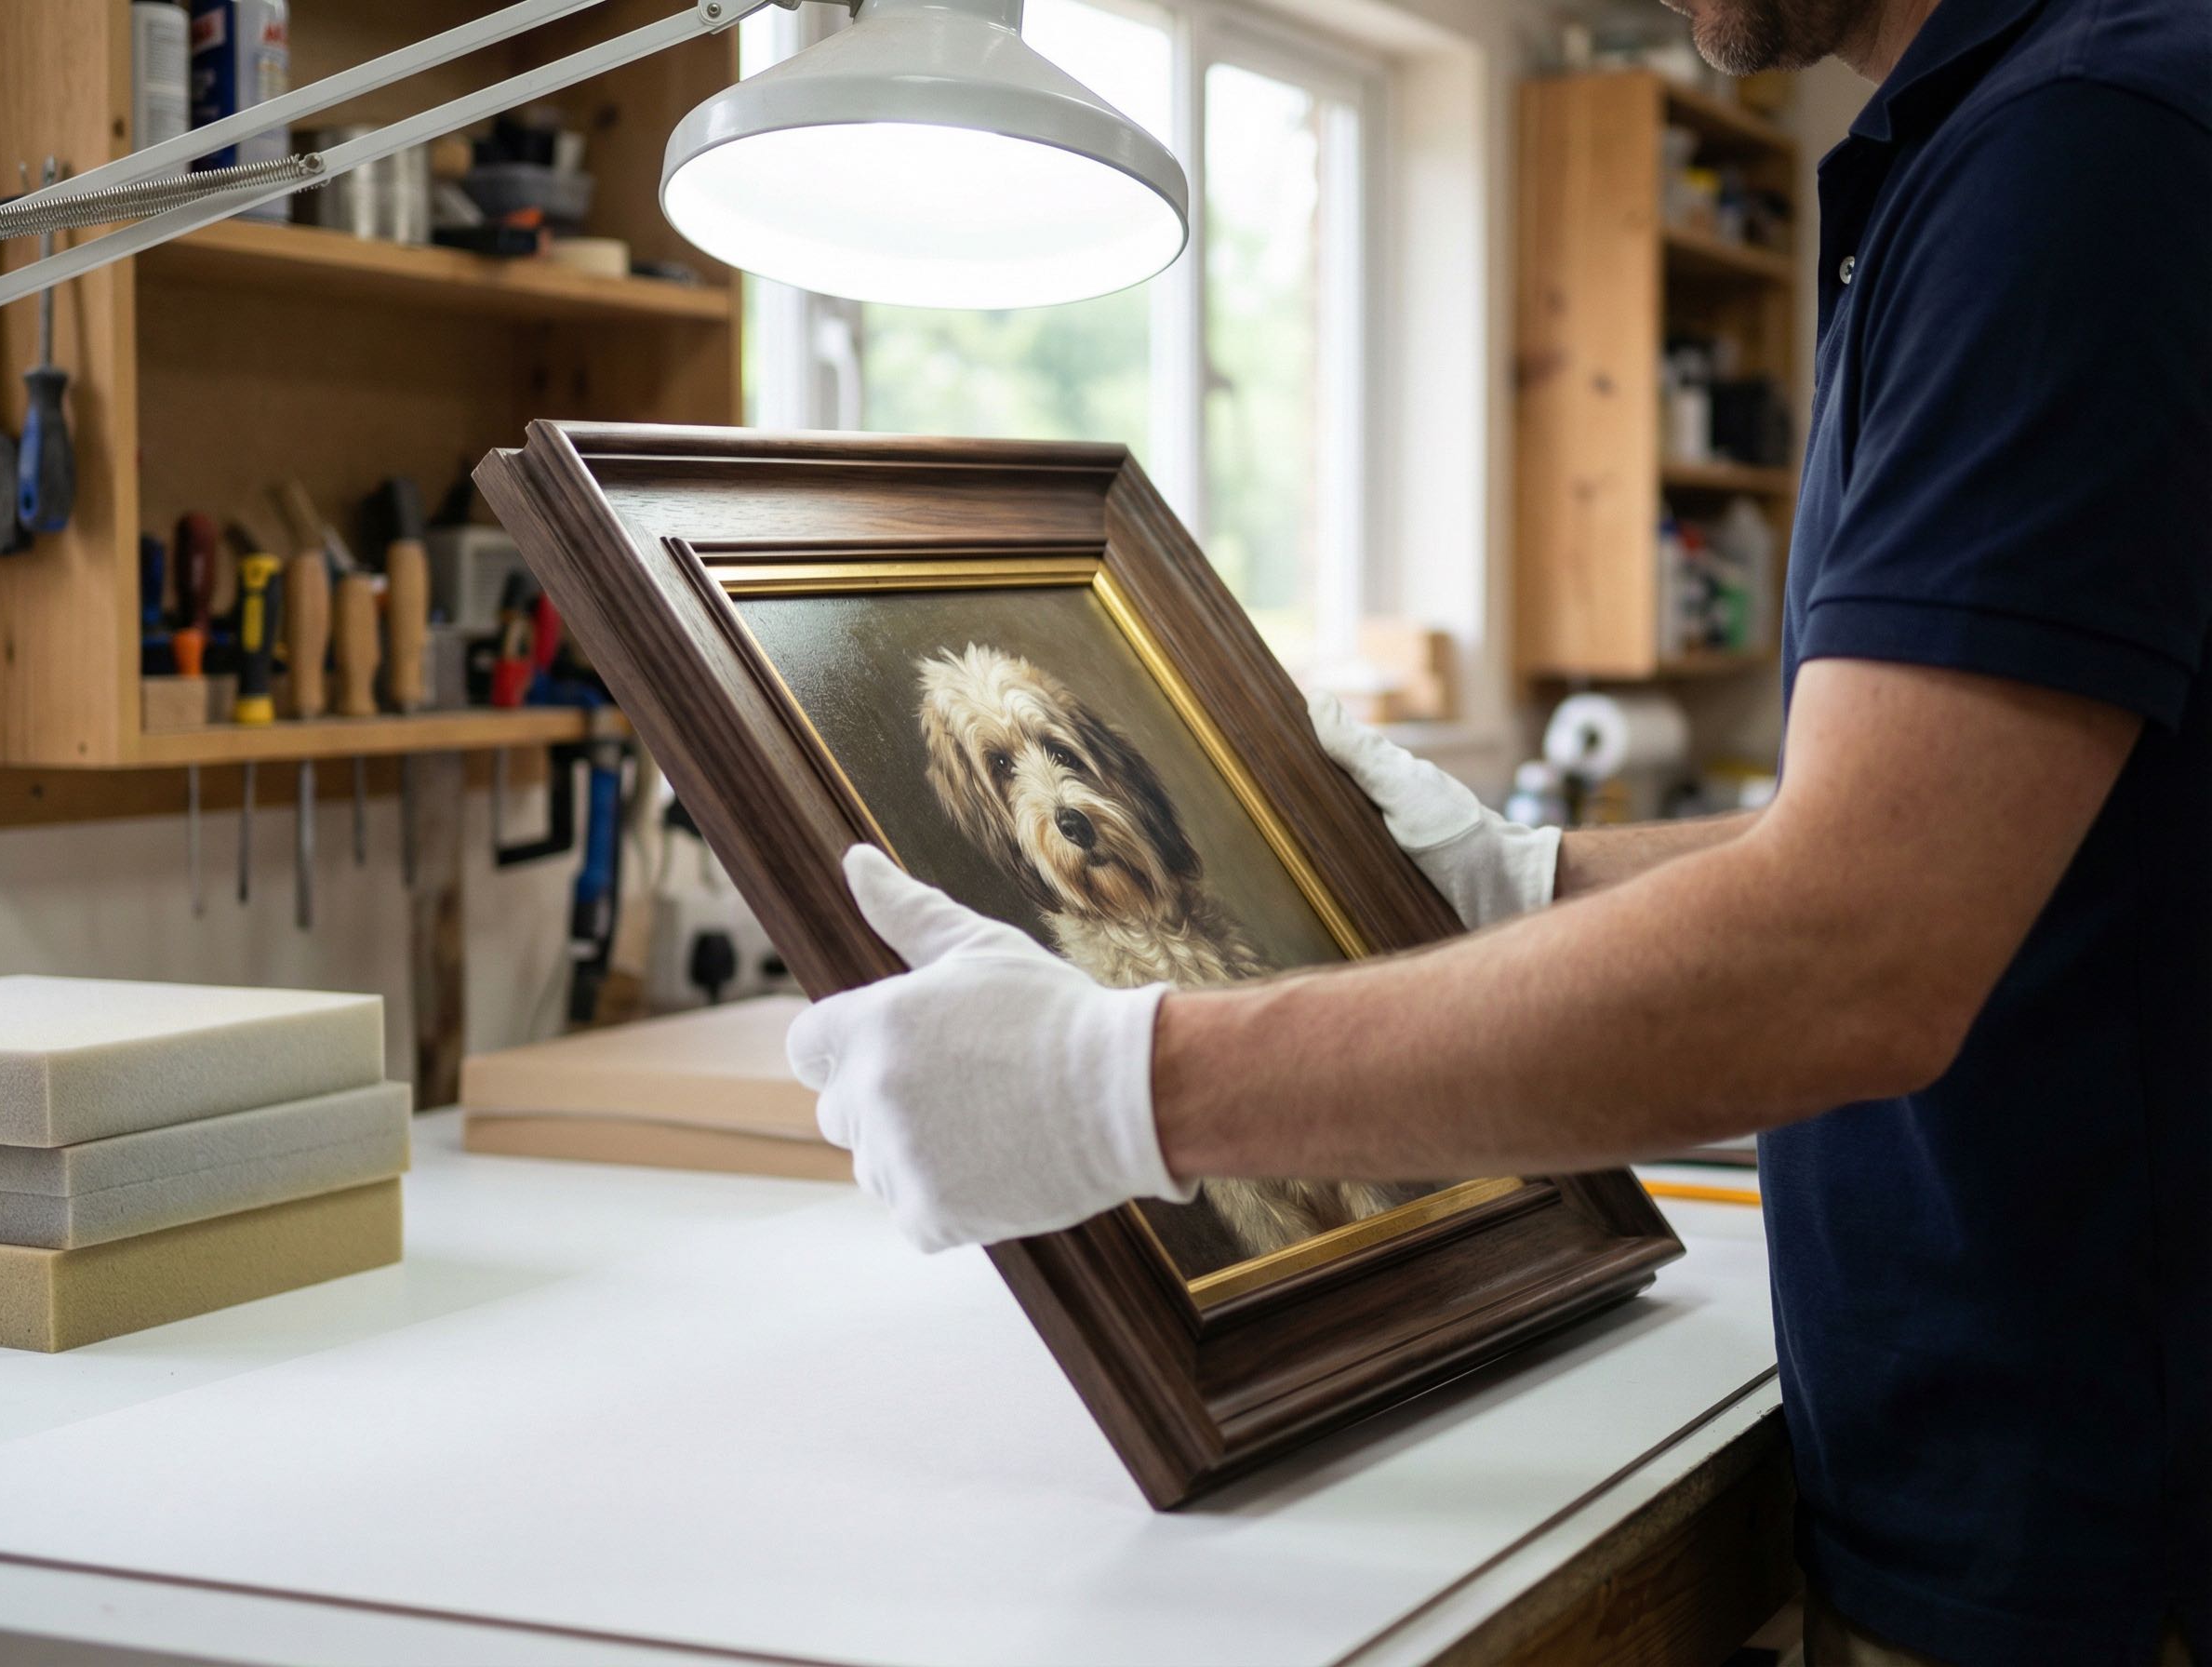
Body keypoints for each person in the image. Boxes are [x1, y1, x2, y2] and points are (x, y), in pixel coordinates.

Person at [784, 0, 2209, 1657]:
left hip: (2099, 1540)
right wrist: (1522, 881)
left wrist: (1119, 1087)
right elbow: (2012, 847)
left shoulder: (2078, 156)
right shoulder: (2048, 125)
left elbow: (1857, 951)